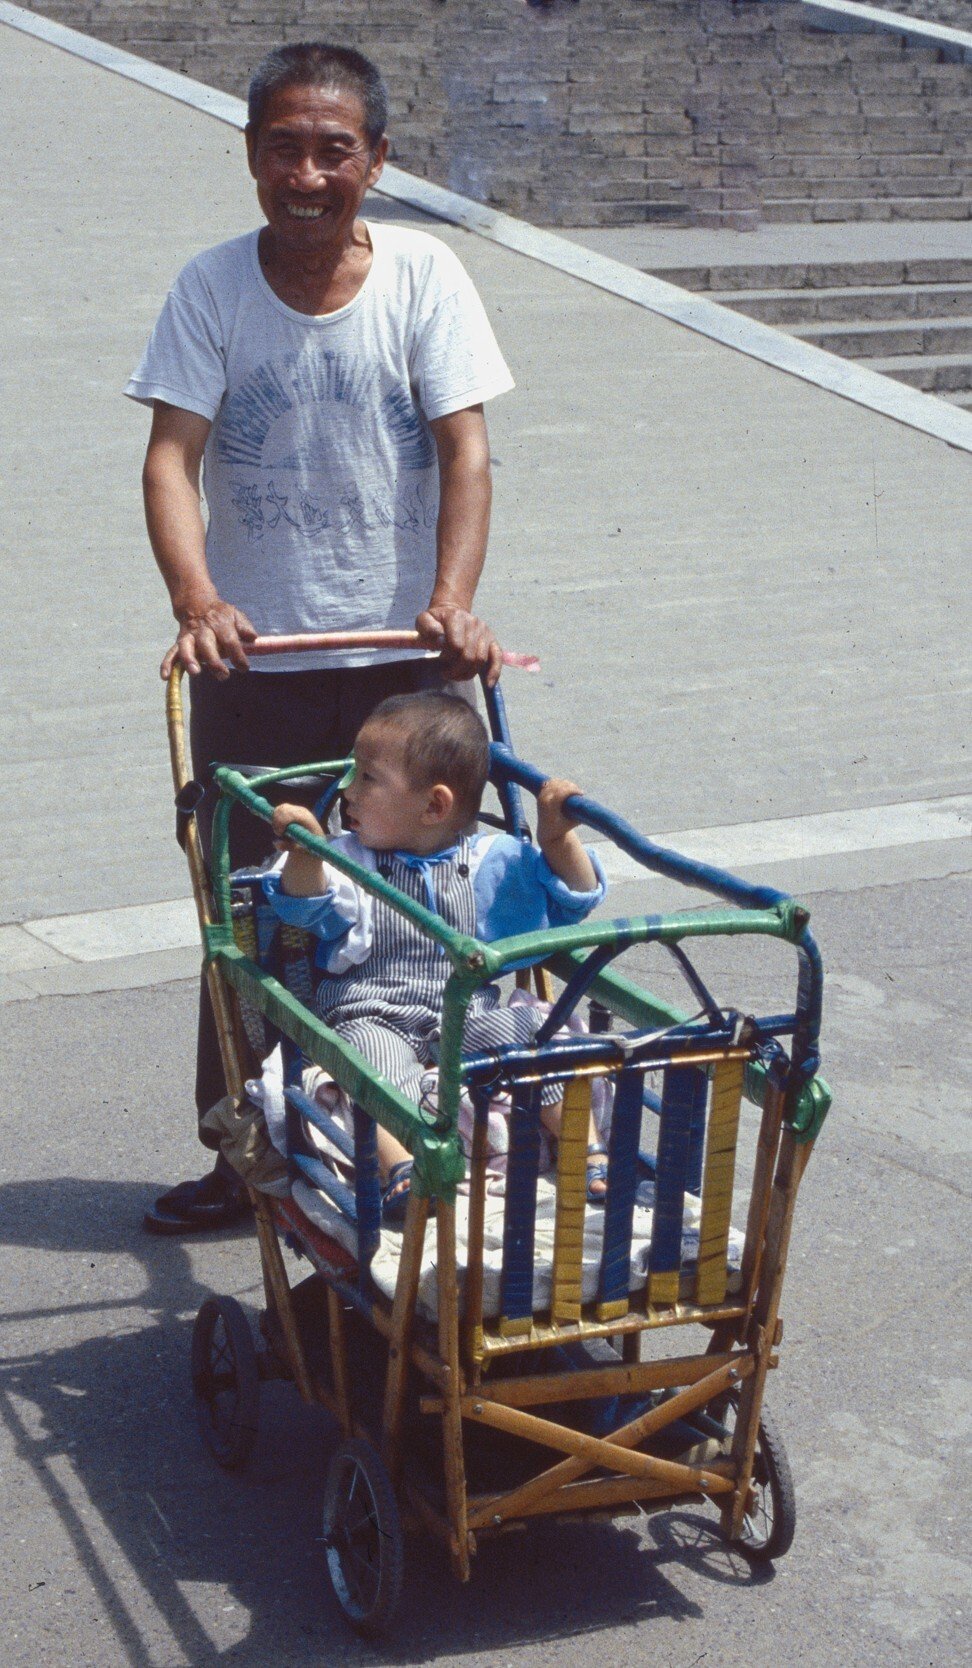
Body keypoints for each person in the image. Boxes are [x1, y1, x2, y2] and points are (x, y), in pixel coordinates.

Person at [125, 42, 514, 1232]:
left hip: (403, 660)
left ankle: (440, 1121)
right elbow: (170, 459)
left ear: (376, 160)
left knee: (436, 902)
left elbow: (466, 451)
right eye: (283, 147)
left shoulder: (423, 274)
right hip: (263, 659)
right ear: (251, 158)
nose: (307, 172)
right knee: (251, 910)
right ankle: (247, 1148)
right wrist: (200, 602)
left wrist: (453, 598)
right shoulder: (210, 288)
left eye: (333, 149)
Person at [264, 692, 611, 1220]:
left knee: (531, 1033)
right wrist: (306, 853)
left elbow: (574, 898)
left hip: (465, 1016)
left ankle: (585, 1149)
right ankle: (402, 1167)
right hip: (372, 1014)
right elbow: (304, 906)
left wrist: (558, 838)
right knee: (362, 1064)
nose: (346, 794)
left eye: (367, 780)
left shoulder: (491, 863)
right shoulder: (350, 861)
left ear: (434, 806)